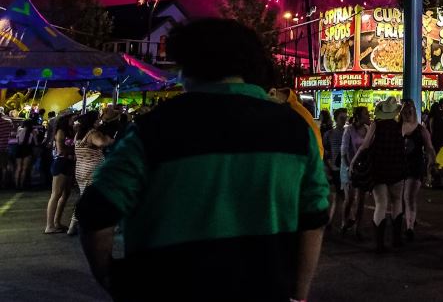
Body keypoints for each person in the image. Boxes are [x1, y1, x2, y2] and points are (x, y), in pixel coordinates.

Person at [75, 18, 328, 302]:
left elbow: (96, 212)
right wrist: (298, 295)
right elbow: (314, 218)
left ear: (187, 67)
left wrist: (114, 279)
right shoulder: (296, 131)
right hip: (266, 289)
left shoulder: (153, 129)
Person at [351, 97, 406, 252]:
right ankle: (396, 239)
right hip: (396, 165)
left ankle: (379, 243)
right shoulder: (399, 126)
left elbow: (365, 145)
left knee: (381, 203)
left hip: (379, 166)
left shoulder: (376, 125)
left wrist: (354, 161)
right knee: (397, 201)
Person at [67, 111, 114, 236]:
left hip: (81, 170)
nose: (99, 121)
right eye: (98, 119)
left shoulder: (79, 134)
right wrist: (109, 140)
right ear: (92, 121)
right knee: (94, 199)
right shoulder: (92, 133)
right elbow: (101, 143)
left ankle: (73, 226)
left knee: (84, 198)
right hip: (93, 171)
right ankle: (93, 226)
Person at [400, 98, 435, 242]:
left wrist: (430, 166)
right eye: (405, 110)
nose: (407, 112)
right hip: (400, 167)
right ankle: (409, 221)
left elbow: (430, 149)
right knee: (403, 198)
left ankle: (409, 228)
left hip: (415, 167)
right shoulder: (398, 127)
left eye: (410, 109)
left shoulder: (421, 130)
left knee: (409, 196)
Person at [340, 106, 370, 237]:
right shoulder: (349, 131)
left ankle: (358, 227)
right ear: (358, 116)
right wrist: (349, 168)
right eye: (366, 114)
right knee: (350, 198)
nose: (368, 116)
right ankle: (344, 221)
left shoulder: (368, 130)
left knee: (361, 200)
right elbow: (344, 152)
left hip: (362, 168)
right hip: (348, 166)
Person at [44, 113, 75, 233]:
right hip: (60, 163)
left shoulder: (70, 131)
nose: (74, 121)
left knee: (65, 194)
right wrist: (75, 149)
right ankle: (49, 225)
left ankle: (57, 222)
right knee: (56, 194)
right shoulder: (60, 132)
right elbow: (61, 149)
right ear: (66, 120)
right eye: (73, 119)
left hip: (67, 164)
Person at [324, 108, 348, 228]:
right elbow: (326, 153)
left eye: (345, 117)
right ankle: (339, 221)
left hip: (345, 169)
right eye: (341, 118)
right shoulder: (329, 134)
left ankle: (335, 221)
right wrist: (330, 167)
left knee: (342, 197)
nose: (344, 120)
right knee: (339, 197)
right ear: (336, 119)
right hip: (335, 169)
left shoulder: (347, 132)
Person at [14, 118, 37, 190]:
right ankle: (21, 185)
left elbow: (17, 138)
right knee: (24, 168)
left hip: (19, 148)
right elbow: (35, 142)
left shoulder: (19, 129)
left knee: (18, 168)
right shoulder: (33, 131)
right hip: (27, 149)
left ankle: (16, 185)